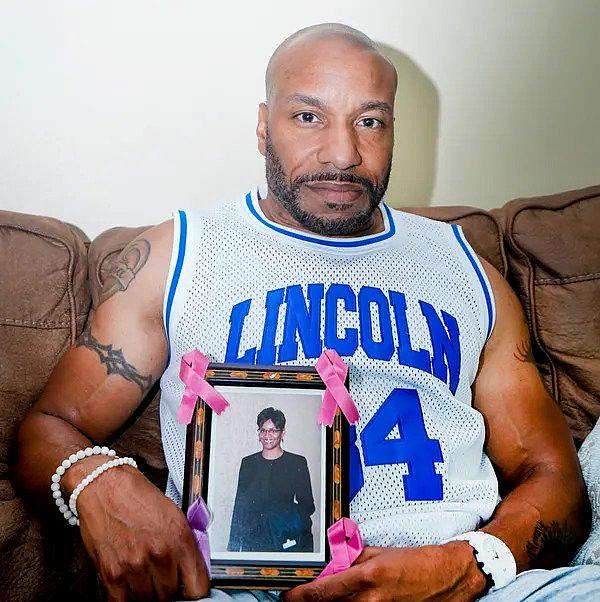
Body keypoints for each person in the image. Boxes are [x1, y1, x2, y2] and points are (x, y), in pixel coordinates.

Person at [14, 21, 600, 602]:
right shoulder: (178, 258)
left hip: (462, 583)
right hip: (245, 589)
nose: (343, 154)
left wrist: (470, 565)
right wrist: (100, 482)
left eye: (370, 121)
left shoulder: (466, 271)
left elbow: (556, 479)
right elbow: (46, 427)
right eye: (308, 116)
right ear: (263, 127)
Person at [227, 407, 315, 553]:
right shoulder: (248, 463)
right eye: (263, 430)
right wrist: (233, 547)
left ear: (283, 433)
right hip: (254, 540)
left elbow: (308, 506)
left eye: (273, 430)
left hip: (285, 539)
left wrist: (283, 519)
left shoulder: (297, 462)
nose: (267, 435)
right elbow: (240, 507)